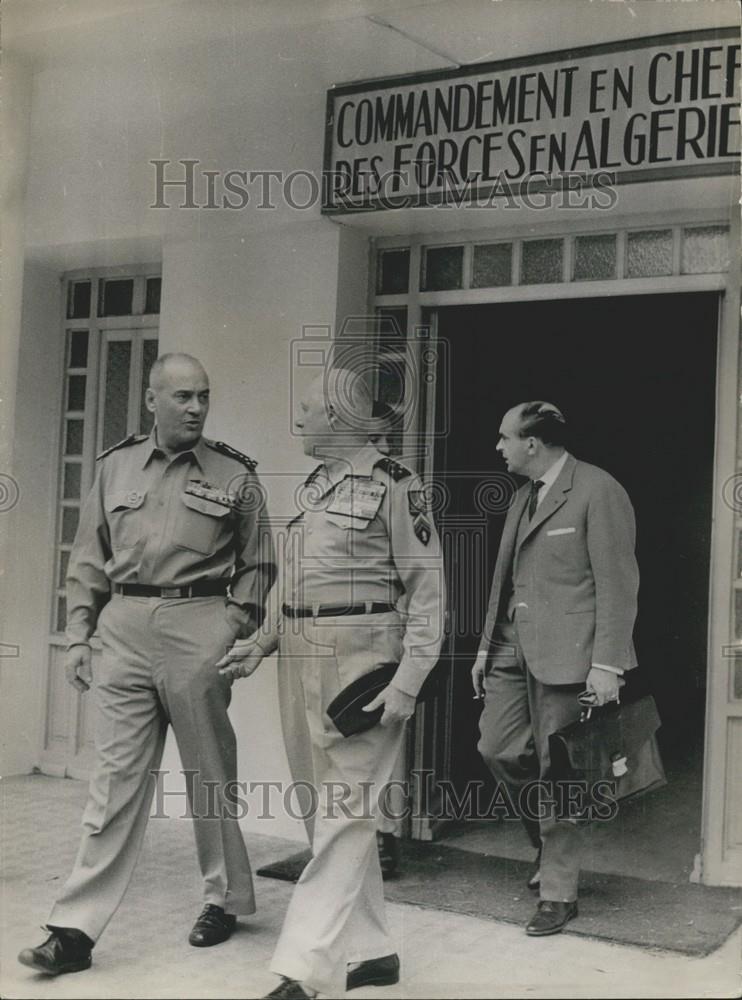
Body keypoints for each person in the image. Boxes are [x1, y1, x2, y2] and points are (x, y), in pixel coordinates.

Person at [18, 353, 276, 975]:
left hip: (199, 627)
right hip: (125, 629)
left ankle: (224, 898)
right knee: (114, 781)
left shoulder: (236, 475)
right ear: (151, 399)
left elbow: (259, 563)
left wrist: (232, 624)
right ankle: (75, 929)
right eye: (182, 396)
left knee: (209, 772)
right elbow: (88, 558)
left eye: (203, 397)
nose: (194, 407)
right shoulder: (114, 467)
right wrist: (79, 636)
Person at [218, 368, 445, 998]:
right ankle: (372, 951)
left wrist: (409, 679)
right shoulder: (319, 485)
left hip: (362, 662)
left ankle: (303, 968)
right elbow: (297, 581)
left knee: (345, 814)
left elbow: (428, 593)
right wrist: (261, 642)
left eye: (309, 407)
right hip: (298, 654)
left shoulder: (398, 485)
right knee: (328, 815)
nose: (298, 417)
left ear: (343, 419)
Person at [472, 401, 639, 937]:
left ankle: (558, 892)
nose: (498, 448)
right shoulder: (522, 497)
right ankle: (546, 849)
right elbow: (503, 582)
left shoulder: (597, 489)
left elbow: (618, 584)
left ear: (533, 444)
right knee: (497, 748)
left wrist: (607, 664)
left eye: (504, 438)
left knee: (560, 773)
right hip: (510, 651)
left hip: (571, 660)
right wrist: (484, 650)